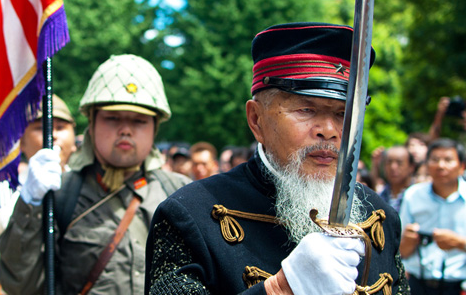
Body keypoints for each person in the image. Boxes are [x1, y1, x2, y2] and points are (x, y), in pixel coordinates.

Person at [145, 23, 409, 294]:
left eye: (343, 114)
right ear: (256, 119)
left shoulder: (381, 216)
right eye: (307, 109)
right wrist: (280, 289)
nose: (329, 131)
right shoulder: (190, 215)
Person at [0, 54, 191, 295]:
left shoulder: (182, 195)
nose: (125, 130)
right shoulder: (60, 194)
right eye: (112, 118)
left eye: (139, 120)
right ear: (92, 121)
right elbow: (20, 284)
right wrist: (30, 203)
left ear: (155, 127)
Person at [0, 95, 77, 295]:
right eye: (40, 127)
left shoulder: (88, 189)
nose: (52, 134)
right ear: (21, 143)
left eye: (61, 127)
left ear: (74, 140)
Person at [399, 138, 466, 295]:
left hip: (458, 287)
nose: (441, 165)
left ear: (462, 166)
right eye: (435, 160)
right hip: (417, 284)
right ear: (427, 165)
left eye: (448, 160)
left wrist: (459, 243)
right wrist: (408, 241)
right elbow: (400, 250)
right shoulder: (413, 195)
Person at [379, 145, 416, 213]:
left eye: (399, 163)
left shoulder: (417, 195)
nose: (393, 167)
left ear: (411, 167)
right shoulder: (379, 197)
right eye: (389, 162)